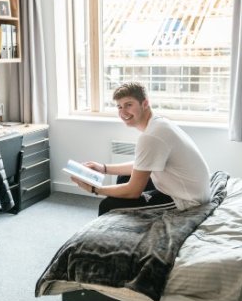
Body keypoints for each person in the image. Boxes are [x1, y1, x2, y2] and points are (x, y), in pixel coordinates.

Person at [70, 82, 211, 215]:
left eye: (128, 105)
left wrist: (95, 189)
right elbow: (142, 164)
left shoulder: (152, 136)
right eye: (119, 107)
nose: (123, 112)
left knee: (108, 205)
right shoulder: (158, 124)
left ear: (145, 103)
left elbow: (133, 191)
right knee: (124, 177)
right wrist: (103, 168)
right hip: (186, 188)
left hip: (186, 200)